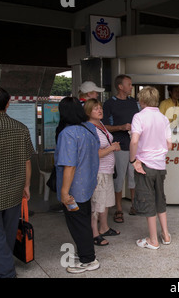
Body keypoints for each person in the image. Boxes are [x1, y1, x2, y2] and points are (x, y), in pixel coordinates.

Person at [54, 97, 100, 273]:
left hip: (74, 189)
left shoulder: (68, 133)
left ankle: (88, 260)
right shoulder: (89, 128)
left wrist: (65, 192)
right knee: (84, 221)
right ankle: (85, 252)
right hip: (87, 184)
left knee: (78, 224)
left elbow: (70, 165)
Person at [0, 87, 34, 278]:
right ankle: (4, 263)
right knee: (9, 231)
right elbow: (27, 161)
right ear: (8, 103)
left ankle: (5, 272)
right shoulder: (21, 128)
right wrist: (26, 186)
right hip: (14, 188)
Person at [129, 86, 172, 249]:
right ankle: (166, 235)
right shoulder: (163, 118)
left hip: (145, 165)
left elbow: (134, 141)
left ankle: (153, 240)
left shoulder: (139, 117)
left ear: (142, 100)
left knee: (148, 201)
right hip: (160, 165)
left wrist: (133, 160)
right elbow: (169, 144)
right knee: (160, 199)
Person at [102, 74, 140, 223]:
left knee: (133, 176)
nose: (131, 87)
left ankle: (134, 204)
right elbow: (104, 128)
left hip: (134, 145)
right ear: (120, 86)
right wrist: (121, 127)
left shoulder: (134, 103)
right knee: (118, 179)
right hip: (119, 146)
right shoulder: (109, 104)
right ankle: (118, 208)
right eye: (129, 84)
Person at [84, 99, 121, 246]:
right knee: (96, 204)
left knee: (104, 202)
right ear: (88, 112)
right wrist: (112, 148)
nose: (100, 110)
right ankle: (94, 233)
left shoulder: (101, 125)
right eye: (95, 109)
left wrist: (112, 146)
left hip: (107, 170)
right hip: (98, 172)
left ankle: (104, 227)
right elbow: (94, 153)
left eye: (100, 108)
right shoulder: (89, 128)